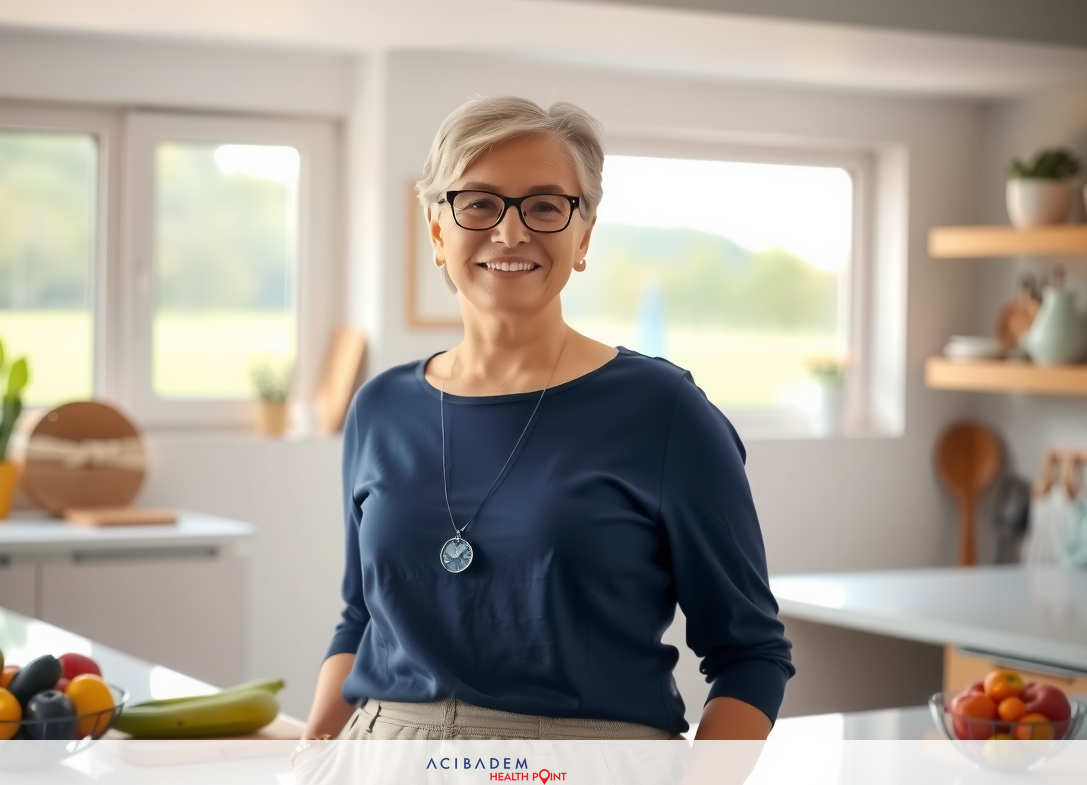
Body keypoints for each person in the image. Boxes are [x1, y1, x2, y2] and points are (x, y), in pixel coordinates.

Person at [301, 97, 794, 742]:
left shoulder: (663, 408)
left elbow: (750, 654)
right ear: (436, 229)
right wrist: (313, 757)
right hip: (383, 760)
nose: (510, 233)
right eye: (477, 202)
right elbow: (361, 617)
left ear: (583, 235)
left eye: (544, 205)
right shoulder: (381, 406)